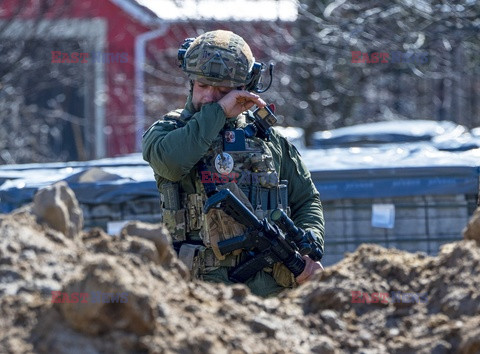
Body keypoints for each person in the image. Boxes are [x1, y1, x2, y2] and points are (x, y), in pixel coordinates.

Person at [142, 30, 324, 297]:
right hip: (201, 292)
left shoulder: (269, 139)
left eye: (223, 90)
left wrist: (308, 245)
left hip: (273, 290)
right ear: (191, 82)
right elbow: (172, 162)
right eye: (203, 86)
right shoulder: (168, 132)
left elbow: (306, 199)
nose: (210, 96)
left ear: (244, 89)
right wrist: (219, 112)